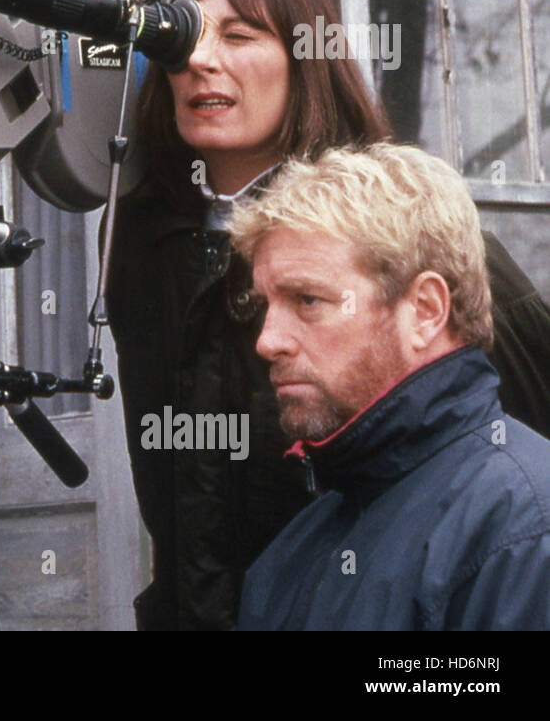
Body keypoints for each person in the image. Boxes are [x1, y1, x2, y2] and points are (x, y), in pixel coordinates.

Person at [104, 0, 550, 630]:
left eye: (238, 36)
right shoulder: (140, 245)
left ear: (305, 59)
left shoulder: (403, 234)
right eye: (187, 35)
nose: (199, 60)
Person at [227, 144, 550, 629]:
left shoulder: (525, 531)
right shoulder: (288, 555)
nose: (267, 341)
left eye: (308, 300)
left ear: (424, 310)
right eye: (264, 307)